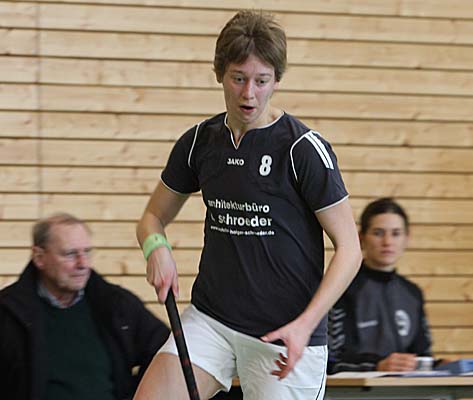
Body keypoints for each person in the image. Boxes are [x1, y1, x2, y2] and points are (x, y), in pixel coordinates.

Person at [134, 9, 362, 400]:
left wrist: (305, 325)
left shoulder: (302, 150)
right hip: (212, 321)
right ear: (220, 74)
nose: (249, 94)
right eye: (238, 78)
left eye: (261, 80)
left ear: (277, 80)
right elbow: (152, 218)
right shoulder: (200, 142)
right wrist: (157, 249)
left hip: (285, 334)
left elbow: (350, 249)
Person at [0, 213, 170, 400]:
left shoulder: (116, 305)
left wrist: (139, 395)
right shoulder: (8, 312)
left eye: (87, 252)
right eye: (70, 254)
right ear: (39, 257)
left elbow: (166, 350)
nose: (83, 264)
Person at [328, 198, 434, 373]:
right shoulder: (342, 288)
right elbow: (332, 359)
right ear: (361, 238)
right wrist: (377, 366)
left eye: (396, 233)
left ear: (407, 238)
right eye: (378, 233)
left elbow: (422, 355)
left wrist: (442, 365)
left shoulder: (412, 293)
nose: (387, 242)